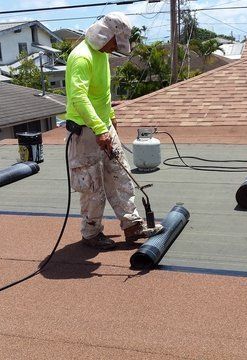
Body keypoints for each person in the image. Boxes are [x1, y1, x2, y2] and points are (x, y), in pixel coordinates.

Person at [64, 12, 163, 250]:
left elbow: (103, 96)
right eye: (114, 42)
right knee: (92, 186)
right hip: (85, 132)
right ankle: (91, 233)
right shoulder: (81, 58)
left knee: (120, 174)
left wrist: (111, 120)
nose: (114, 48)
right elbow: (79, 97)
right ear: (103, 35)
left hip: (103, 127)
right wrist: (99, 129)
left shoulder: (101, 56)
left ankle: (132, 224)